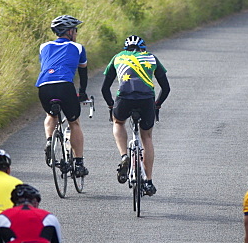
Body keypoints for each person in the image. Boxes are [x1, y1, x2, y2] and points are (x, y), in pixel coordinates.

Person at [100, 35, 170, 196]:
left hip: (124, 98)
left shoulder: (118, 57)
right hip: (146, 100)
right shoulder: (151, 58)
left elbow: (105, 89)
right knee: (147, 137)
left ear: (126, 49)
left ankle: (124, 155)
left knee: (118, 122)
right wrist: (157, 105)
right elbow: (166, 88)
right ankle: (149, 181)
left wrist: (112, 106)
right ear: (143, 48)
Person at [36, 15, 89, 178]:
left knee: (51, 115)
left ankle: (49, 140)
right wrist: (82, 93)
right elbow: (83, 73)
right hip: (65, 86)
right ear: (70, 31)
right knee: (74, 123)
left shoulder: (43, 46)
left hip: (44, 86)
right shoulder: (78, 47)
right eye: (76, 30)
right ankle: (79, 164)